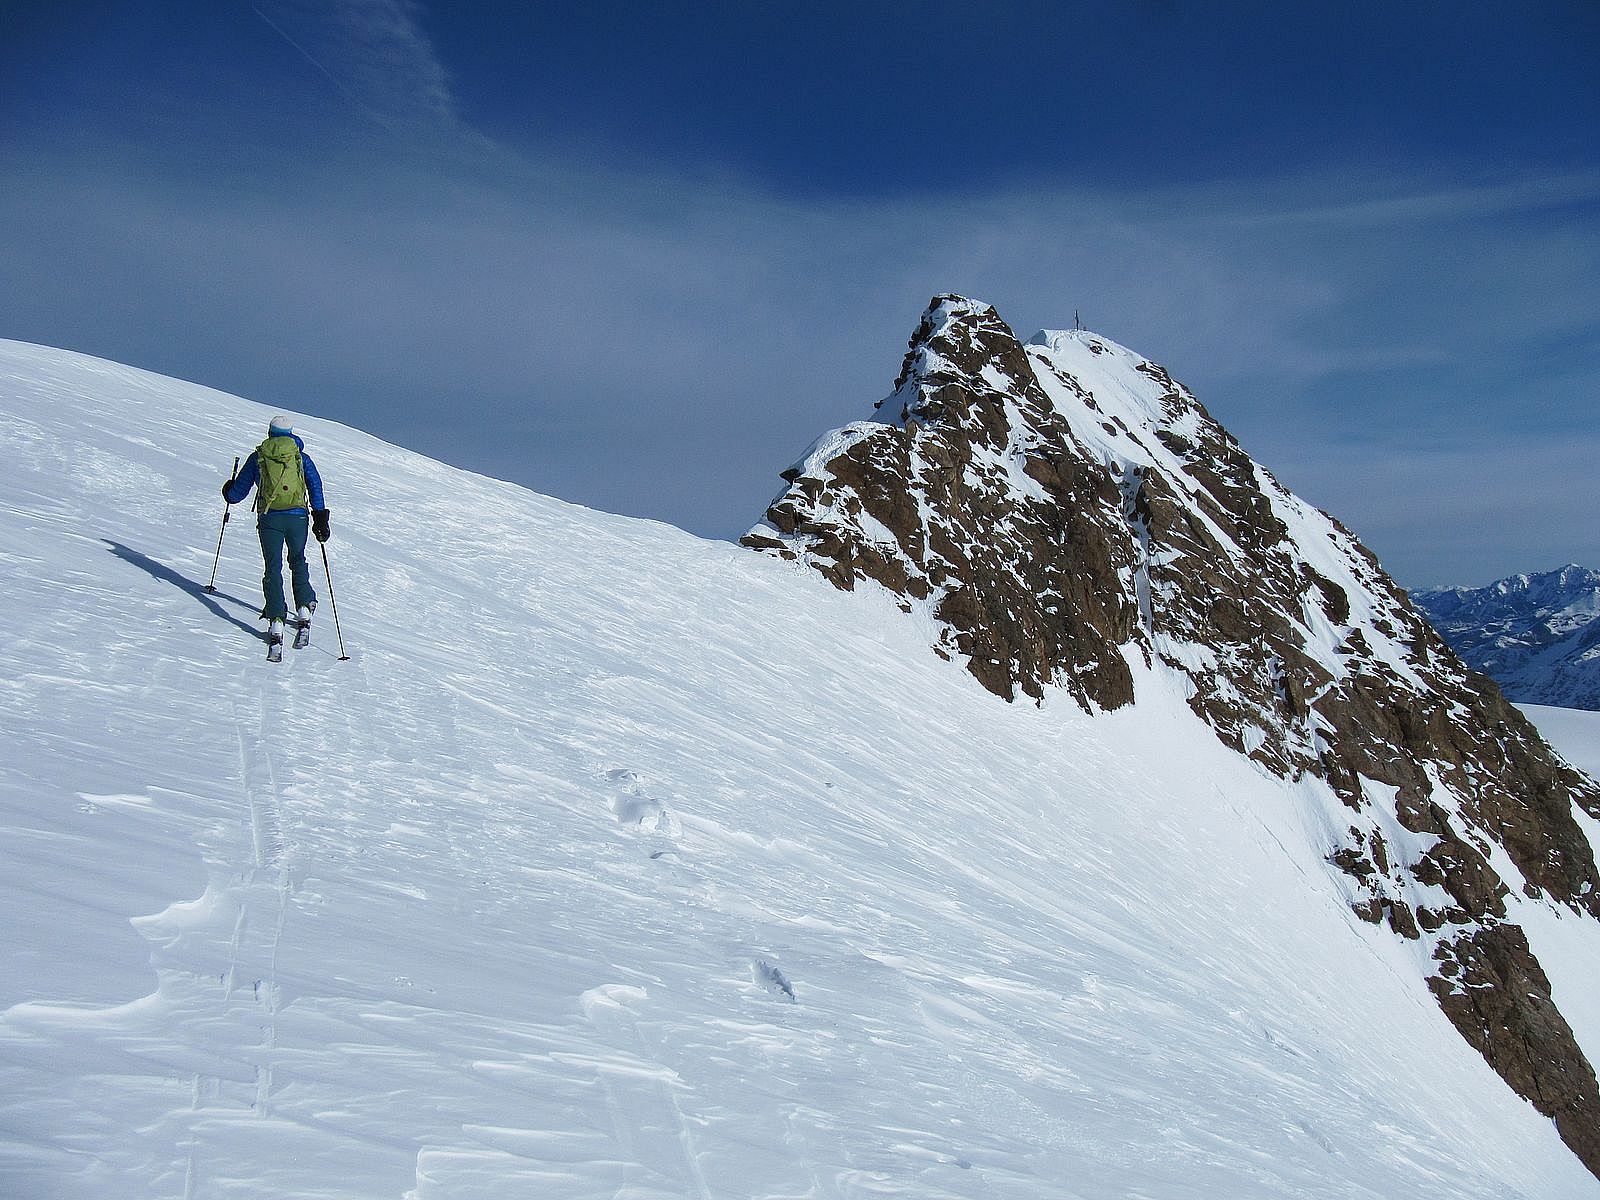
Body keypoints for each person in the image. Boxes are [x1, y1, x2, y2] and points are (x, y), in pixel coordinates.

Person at [224, 416, 331, 645]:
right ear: (291, 433)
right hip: (298, 518)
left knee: (273, 567)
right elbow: (315, 487)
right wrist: (320, 518)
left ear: (270, 432)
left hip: (270, 518)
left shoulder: (258, 457)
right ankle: (303, 608)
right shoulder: (301, 458)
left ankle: (276, 620)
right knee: (297, 560)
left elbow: (236, 494)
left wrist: (228, 490)